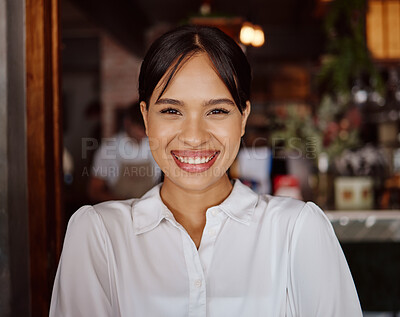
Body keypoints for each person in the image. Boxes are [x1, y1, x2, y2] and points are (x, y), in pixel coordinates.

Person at [50, 25, 363, 316]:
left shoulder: (297, 230)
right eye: (171, 110)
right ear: (146, 118)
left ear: (243, 118)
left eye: (217, 110)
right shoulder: (98, 235)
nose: (195, 136)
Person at [87, 102, 161, 202]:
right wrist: (125, 205)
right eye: (139, 127)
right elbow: (94, 190)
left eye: (146, 128)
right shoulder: (109, 148)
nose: (144, 133)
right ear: (127, 123)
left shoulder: (156, 146)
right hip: (120, 211)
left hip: (151, 207)